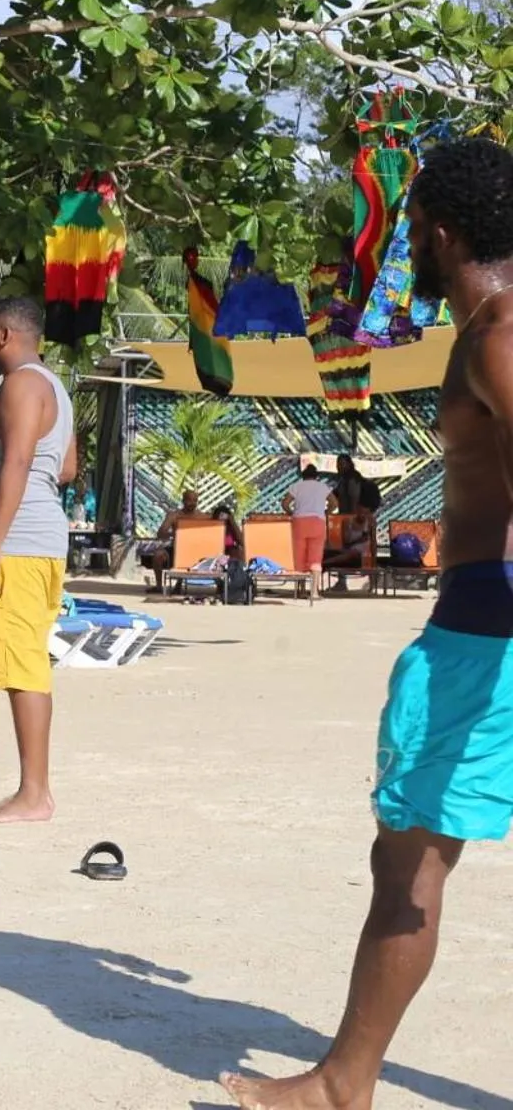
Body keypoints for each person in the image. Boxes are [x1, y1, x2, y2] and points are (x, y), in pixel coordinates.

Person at [222, 137, 513, 1108]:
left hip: (486, 638)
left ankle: (345, 1081)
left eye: (414, 237)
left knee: (410, 864)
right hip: (489, 628)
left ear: (439, 231)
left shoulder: (499, 333)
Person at [0, 297, 77, 826]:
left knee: (24, 664)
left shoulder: (24, 385)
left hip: (22, 544)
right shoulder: (53, 387)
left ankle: (35, 793)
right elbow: (67, 467)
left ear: (5, 335)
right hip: (32, 538)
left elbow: (24, 462)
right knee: (20, 662)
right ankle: (32, 789)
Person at [138, 490, 208, 591]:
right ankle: (159, 586)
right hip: (175, 549)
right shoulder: (174, 516)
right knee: (158, 555)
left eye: (195, 501)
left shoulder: (202, 517)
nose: (192, 503)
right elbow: (161, 533)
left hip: (195, 552)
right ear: (183, 501)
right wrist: (177, 533)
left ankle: (179, 584)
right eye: (189, 500)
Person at [283, 464, 334, 591]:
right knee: (315, 558)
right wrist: (326, 512)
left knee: (299, 556)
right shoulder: (323, 487)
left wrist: (292, 513)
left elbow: (285, 503)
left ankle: (300, 589)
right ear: (316, 476)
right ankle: (314, 591)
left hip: (299, 522)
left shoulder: (296, 486)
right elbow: (334, 503)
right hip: (318, 523)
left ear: (303, 476)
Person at [333, 452, 382, 530]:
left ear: (349, 464)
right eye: (338, 464)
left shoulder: (351, 479)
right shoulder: (344, 480)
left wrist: (352, 518)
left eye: (342, 464)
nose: (339, 466)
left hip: (354, 520)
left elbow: (354, 499)